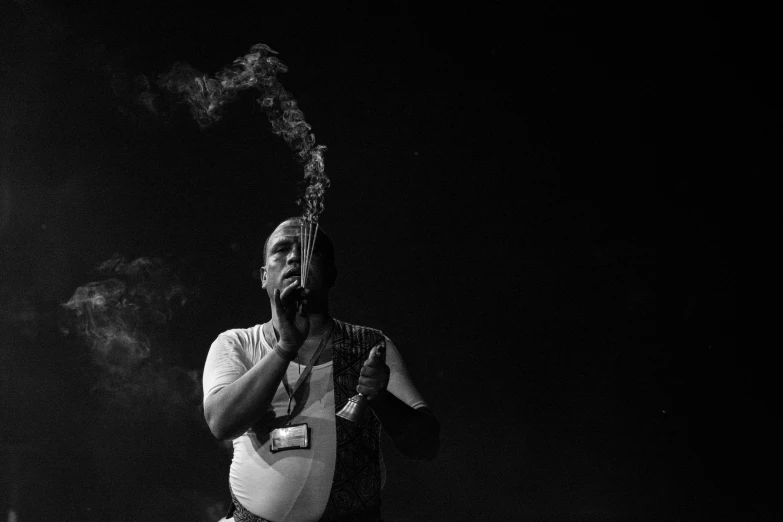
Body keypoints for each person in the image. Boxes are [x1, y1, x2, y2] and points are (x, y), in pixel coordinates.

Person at [202, 217, 440, 522]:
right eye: (281, 250)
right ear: (264, 276)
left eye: (308, 250)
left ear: (330, 274)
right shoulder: (236, 343)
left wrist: (381, 398)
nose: (293, 257)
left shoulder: (371, 346)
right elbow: (221, 423)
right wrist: (285, 347)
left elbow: (426, 445)